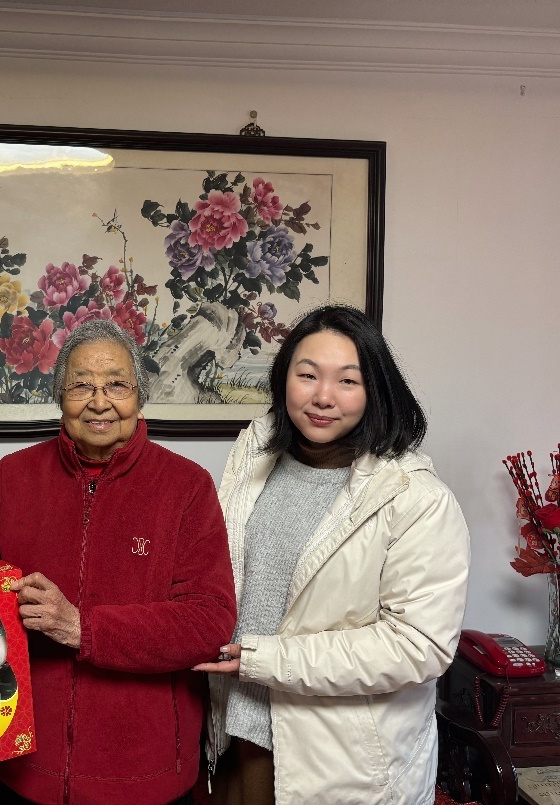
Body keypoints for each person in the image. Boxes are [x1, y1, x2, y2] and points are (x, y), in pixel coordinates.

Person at [0, 319, 237, 805]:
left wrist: (83, 628)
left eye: (117, 385)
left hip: (145, 774)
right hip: (25, 762)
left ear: (140, 397)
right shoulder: (15, 475)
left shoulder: (187, 486)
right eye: (81, 385)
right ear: (60, 397)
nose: (99, 402)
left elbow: (209, 621)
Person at [195, 304, 470, 805]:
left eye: (347, 381)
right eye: (307, 375)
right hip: (235, 730)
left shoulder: (415, 498)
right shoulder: (253, 458)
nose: (323, 397)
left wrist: (265, 659)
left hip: (339, 760)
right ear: (283, 379)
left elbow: (419, 645)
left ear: (376, 389)